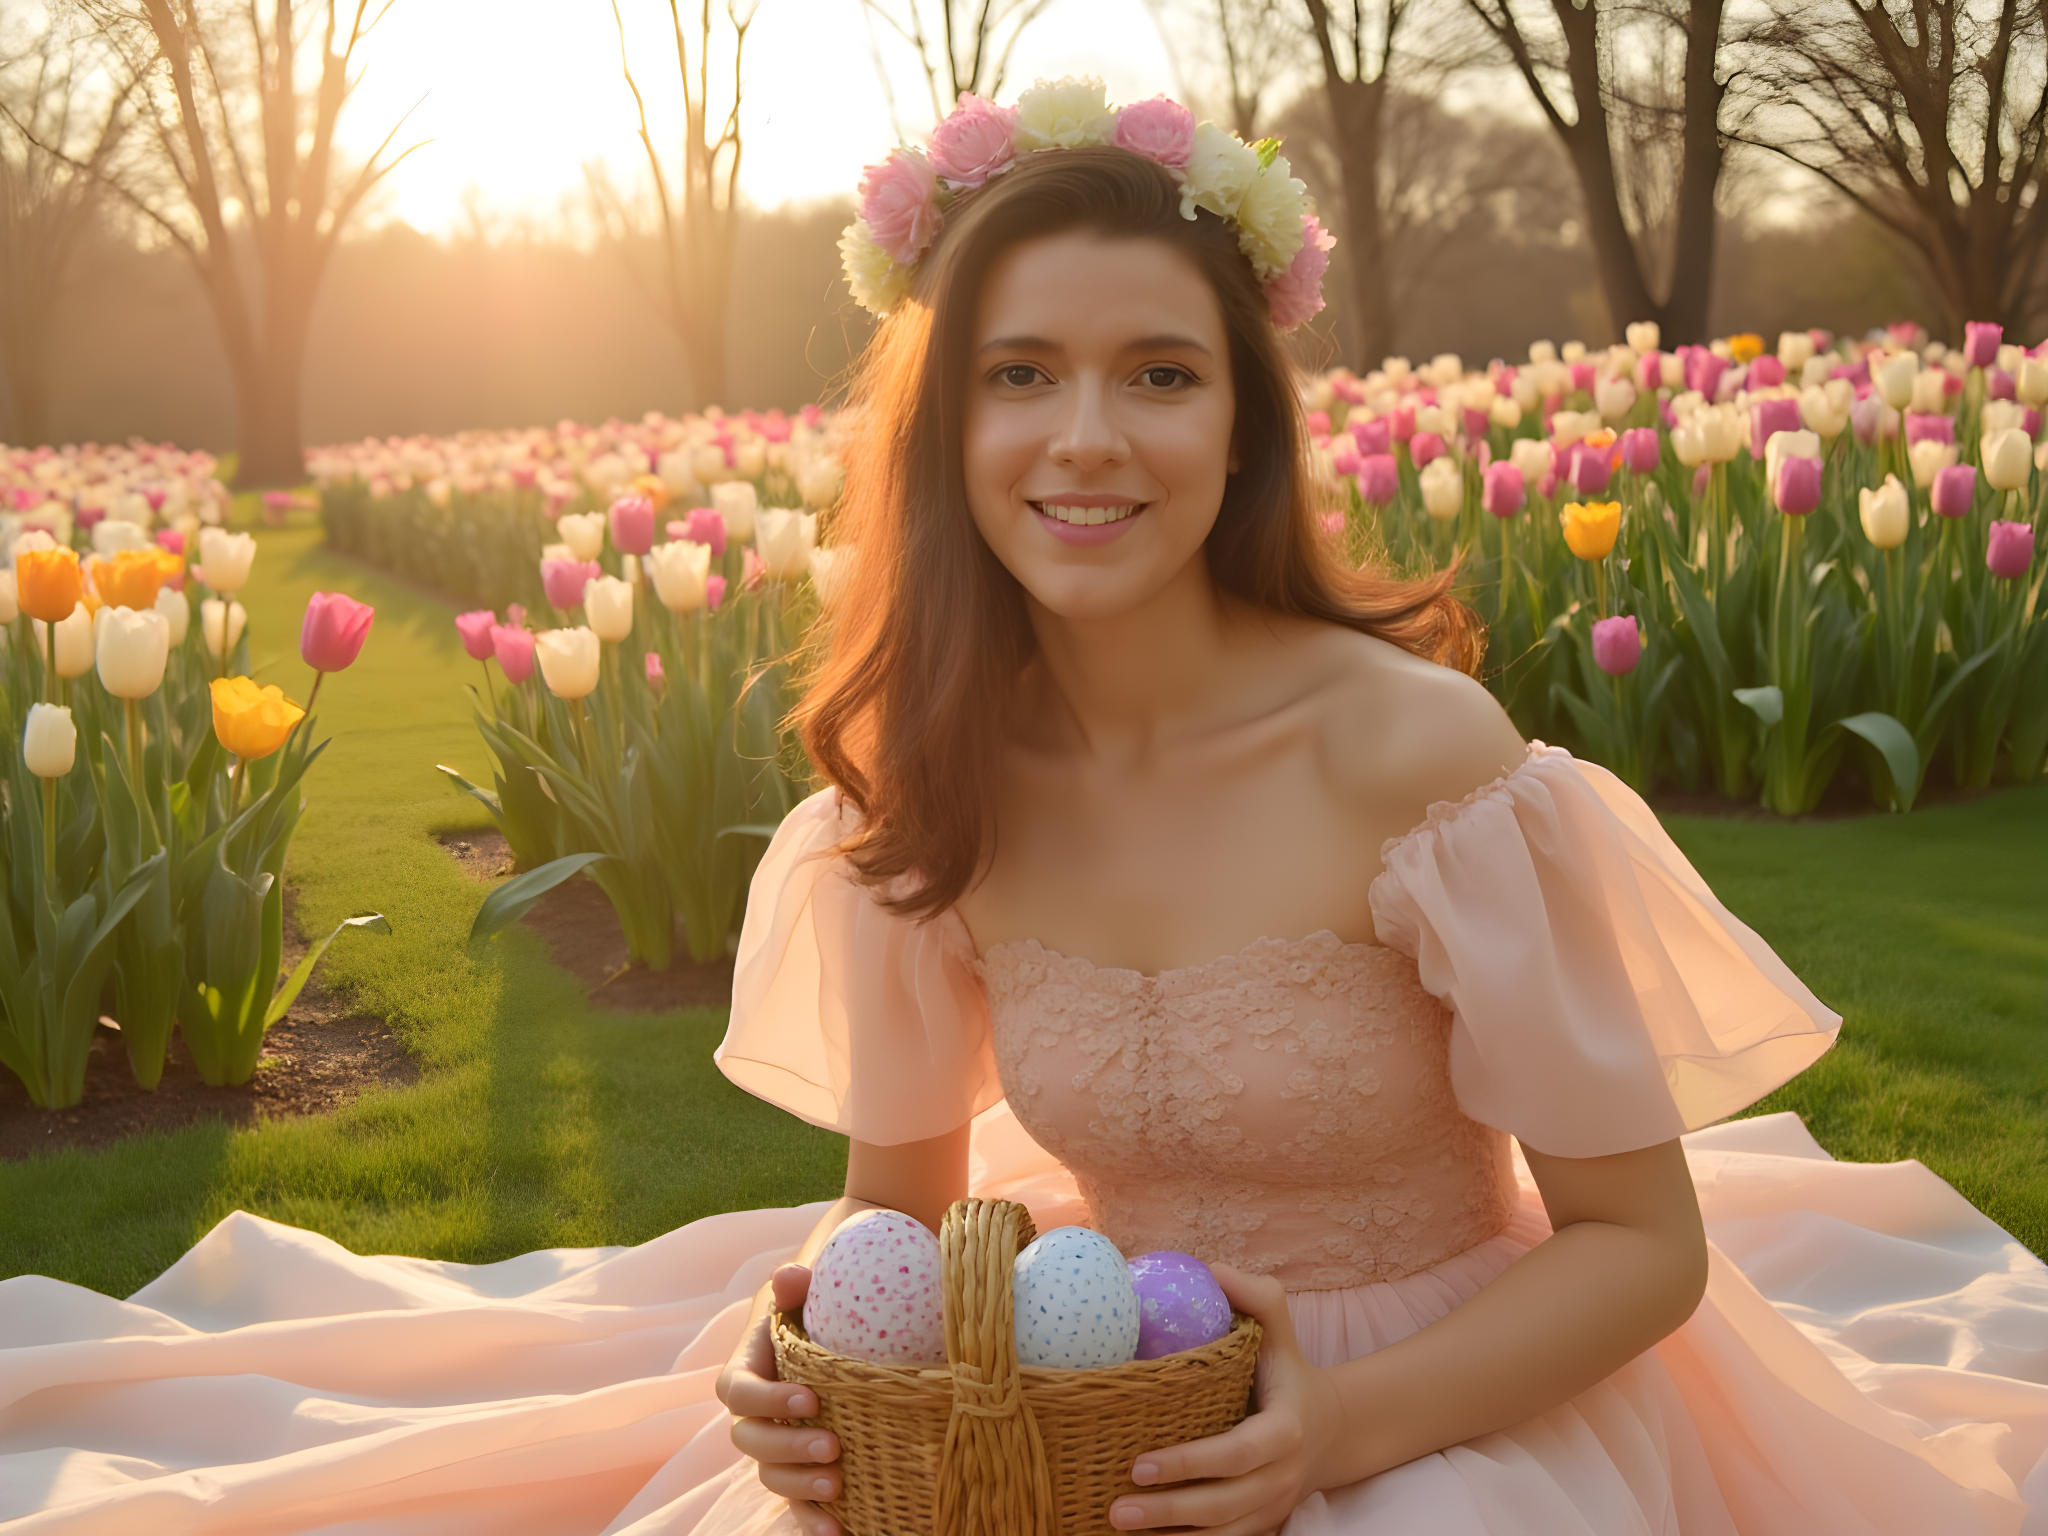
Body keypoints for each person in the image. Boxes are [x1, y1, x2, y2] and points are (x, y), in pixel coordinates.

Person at [2, 83, 2043, 1536]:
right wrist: (813, 1356)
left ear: (1238, 420)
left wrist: (1333, 1431)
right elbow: (893, 1208)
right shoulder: (922, 780)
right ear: (942, 422)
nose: (1088, 438)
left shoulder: (1415, 766)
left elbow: (1637, 1248)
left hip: (1442, 1393)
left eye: (1160, 375)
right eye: (1019, 375)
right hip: (1075, 1385)